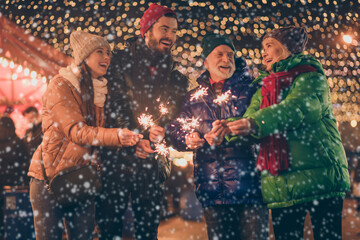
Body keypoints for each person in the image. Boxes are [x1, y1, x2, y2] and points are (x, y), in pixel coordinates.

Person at [226, 26, 350, 240]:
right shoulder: (263, 88)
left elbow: (297, 109)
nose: (263, 53)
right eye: (262, 48)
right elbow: (251, 117)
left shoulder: (310, 78)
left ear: (287, 48)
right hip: (281, 182)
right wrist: (227, 129)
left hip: (320, 177)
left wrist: (254, 123)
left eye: (269, 46)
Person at [27, 30, 142, 240]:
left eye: (108, 53)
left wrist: (134, 141)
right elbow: (76, 131)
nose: (107, 57)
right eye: (100, 52)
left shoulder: (102, 92)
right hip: (49, 180)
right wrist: (116, 136)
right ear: (84, 57)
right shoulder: (61, 85)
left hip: (81, 178)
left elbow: (103, 134)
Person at [97, 3, 188, 239]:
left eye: (175, 31)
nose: (170, 36)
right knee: (110, 229)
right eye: (165, 29)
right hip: (116, 160)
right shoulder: (118, 62)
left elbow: (174, 116)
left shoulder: (175, 76)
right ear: (146, 30)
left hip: (151, 164)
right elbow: (113, 105)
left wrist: (162, 134)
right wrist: (137, 137)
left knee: (148, 231)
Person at [169, 33, 268, 240]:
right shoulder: (193, 98)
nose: (226, 59)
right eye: (220, 54)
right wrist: (188, 138)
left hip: (250, 190)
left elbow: (264, 127)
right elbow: (175, 130)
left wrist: (231, 132)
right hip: (213, 191)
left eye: (231, 54)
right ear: (206, 61)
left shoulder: (252, 90)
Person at [0, 116, 30, 239]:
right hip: (15, 188)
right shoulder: (19, 143)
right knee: (13, 215)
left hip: (1, 185)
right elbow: (26, 163)